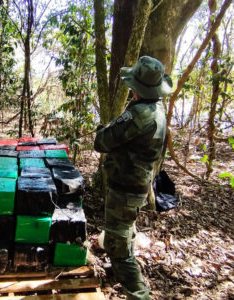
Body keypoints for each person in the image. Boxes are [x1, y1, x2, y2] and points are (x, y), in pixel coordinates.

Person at [94, 56, 172, 300]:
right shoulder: (157, 110)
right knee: (125, 231)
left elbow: (102, 141)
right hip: (136, 185)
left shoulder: (139, 115)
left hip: (126, 188)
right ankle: (118, 267)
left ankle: (139, 293)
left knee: (119, 248)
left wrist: (104, 129)